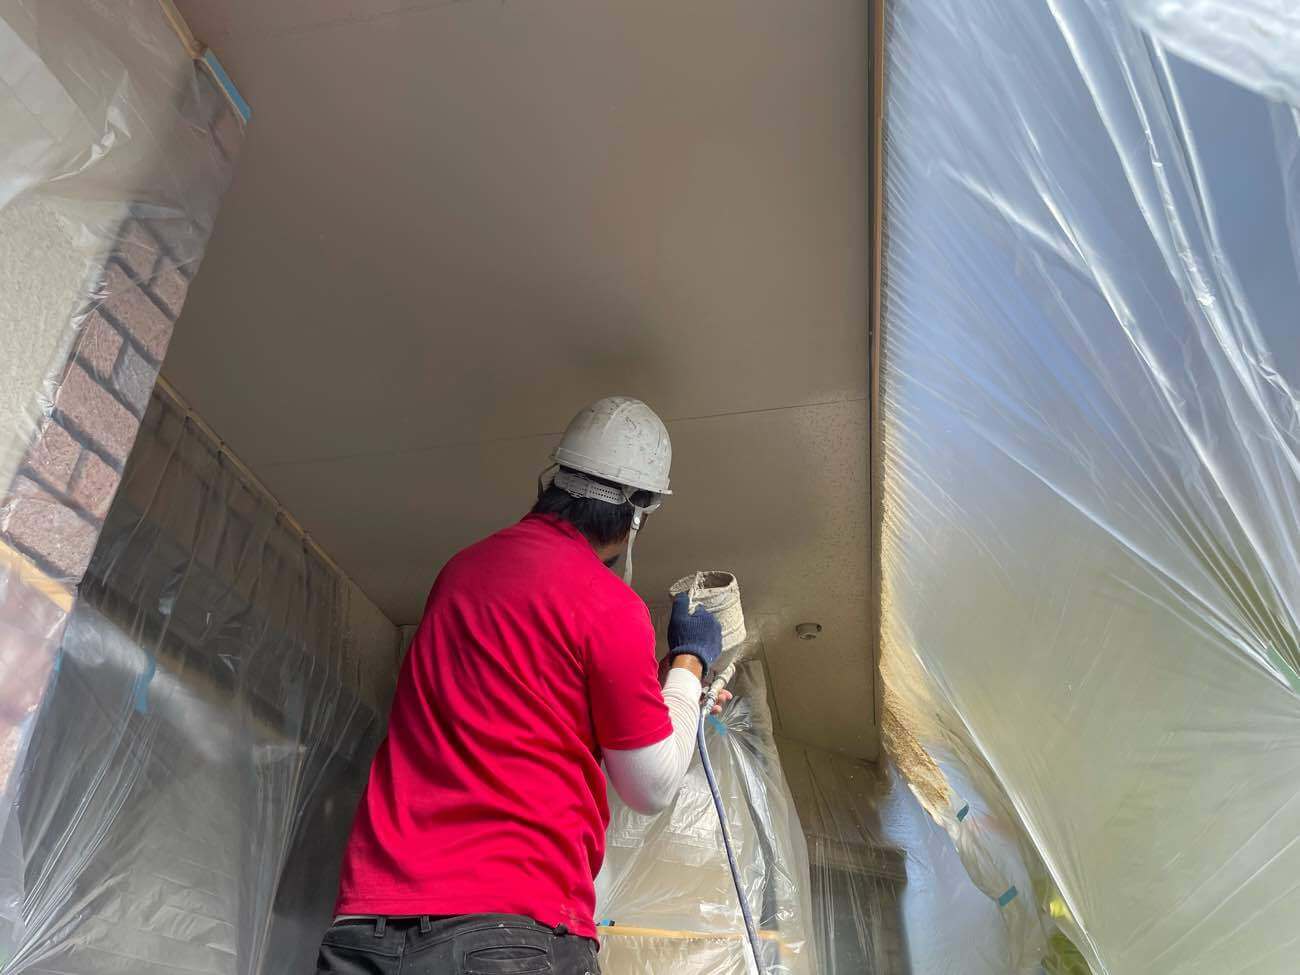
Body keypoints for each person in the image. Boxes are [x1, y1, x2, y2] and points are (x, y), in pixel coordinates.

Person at [315, 396, 726, 975]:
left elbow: (520, 697)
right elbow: (649, 785)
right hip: (505, 930)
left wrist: (656, 691)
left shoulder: (460, 572)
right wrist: (688, 664)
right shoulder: (609, 605)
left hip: (369, 929)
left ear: (555, 476)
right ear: (639, 514)